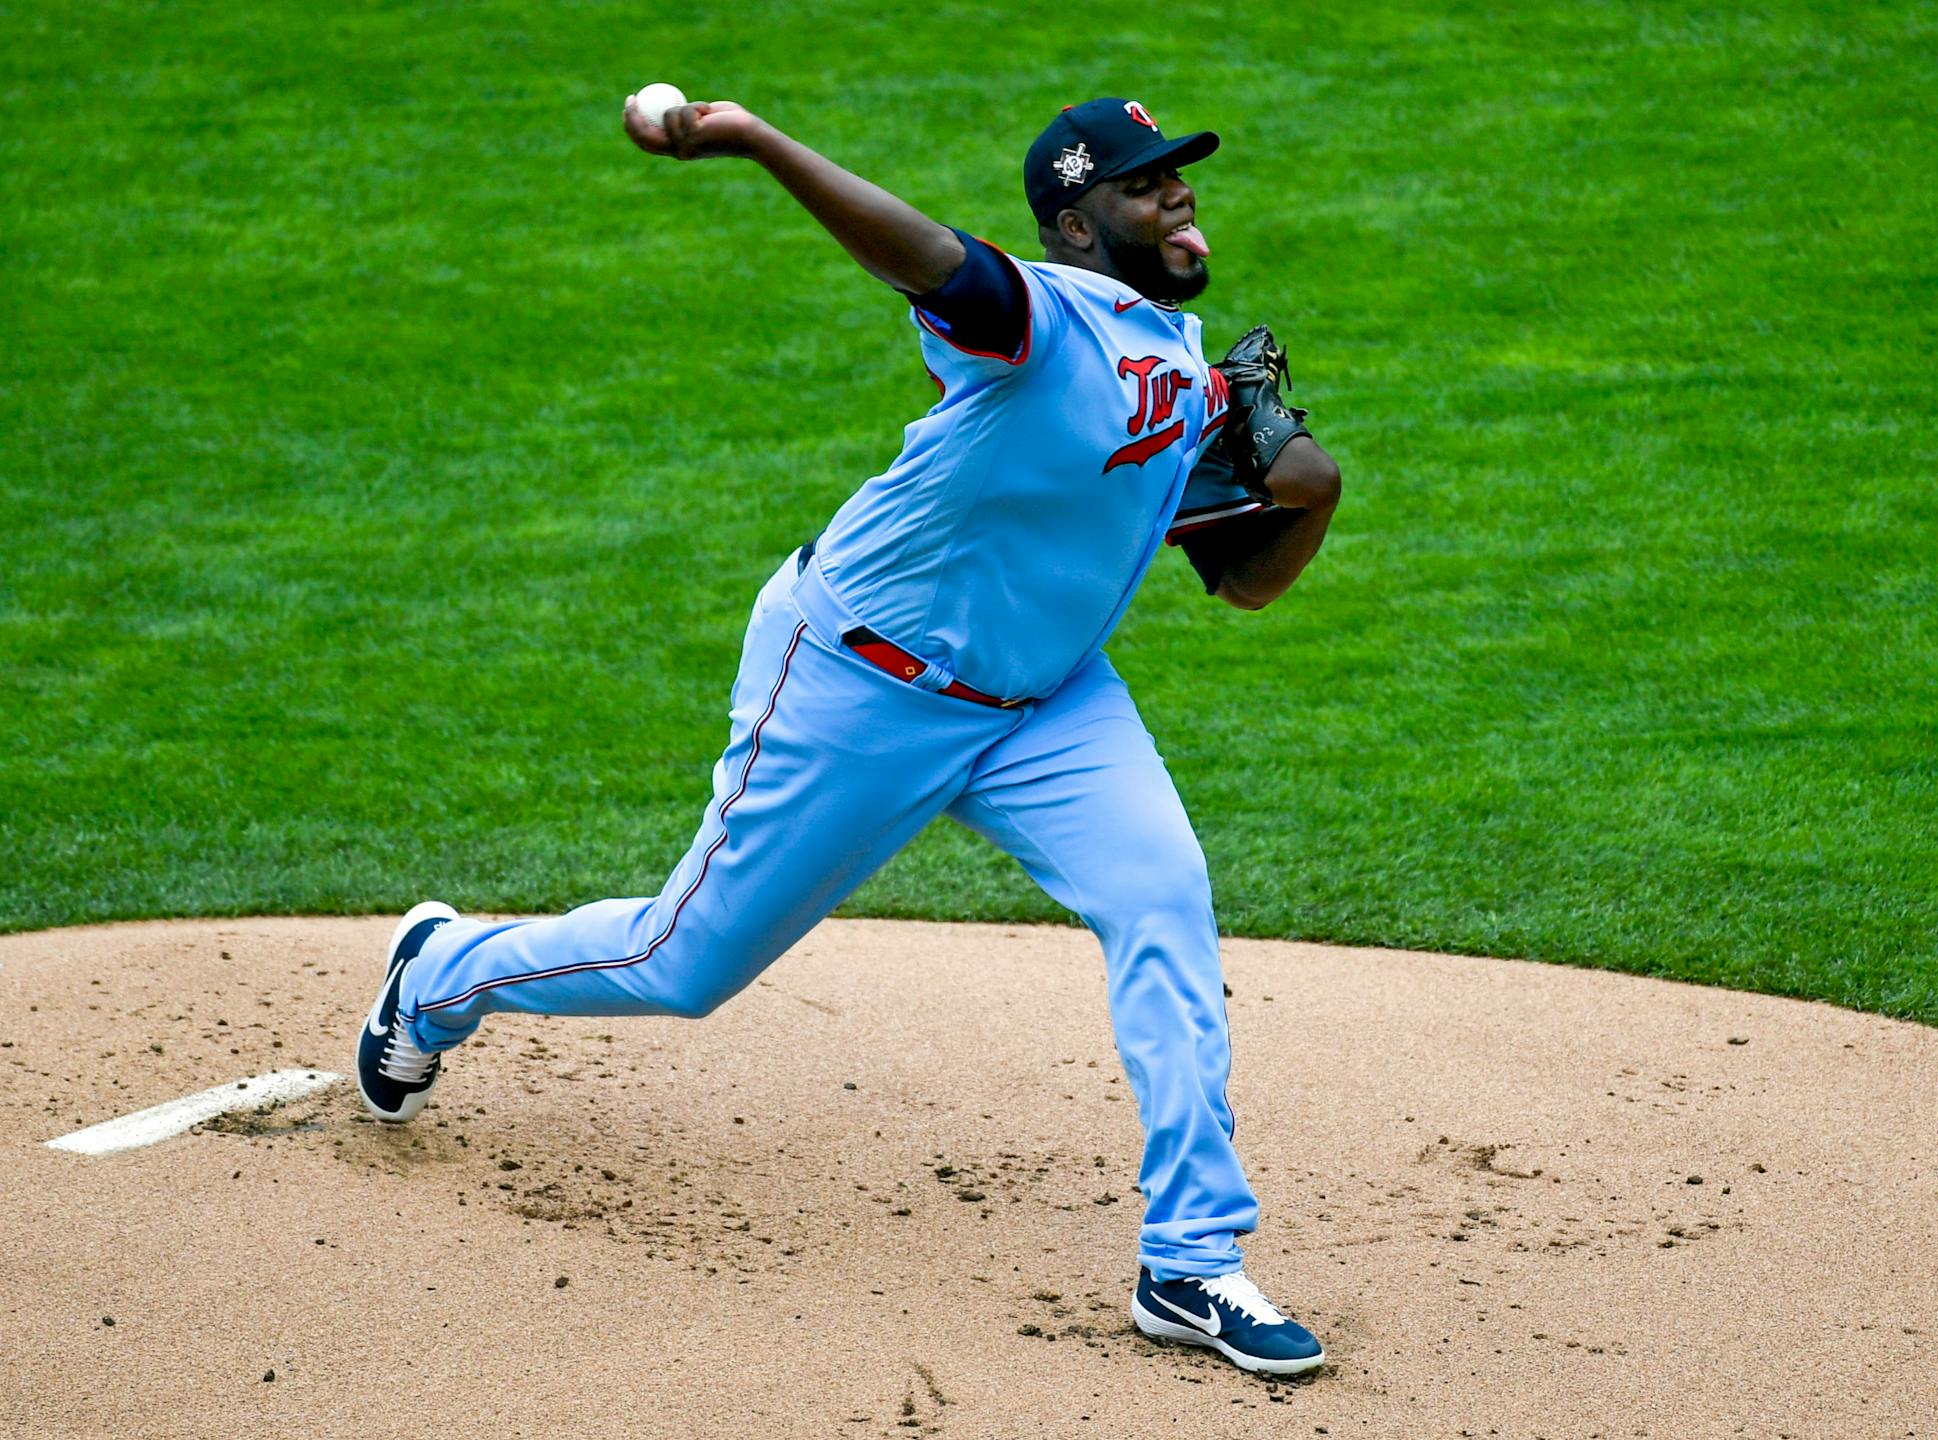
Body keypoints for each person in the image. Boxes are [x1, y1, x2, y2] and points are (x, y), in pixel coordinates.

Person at [355, 94, 1343, 1377]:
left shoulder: (1182, 366)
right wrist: (758, 141)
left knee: (1164, 900)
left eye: (1181, 177)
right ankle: (438, 973)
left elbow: (1248, 583)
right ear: (1074, 220)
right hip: (859, 682)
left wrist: (1308, 498)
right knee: (681, 963)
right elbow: (922, 253)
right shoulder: (1033, 318)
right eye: (1148, 183)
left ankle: (1192, 1261)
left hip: (1049, 703)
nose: (1180, 196)